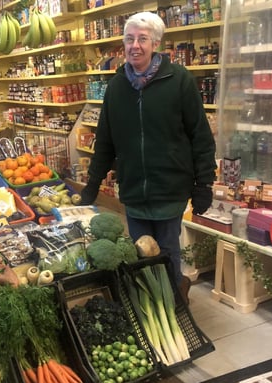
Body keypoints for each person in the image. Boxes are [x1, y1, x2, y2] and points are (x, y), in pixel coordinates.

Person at [80, 11, 216, 302]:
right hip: (133, 189)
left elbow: (200, 136)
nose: (135, 46)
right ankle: (151, 303)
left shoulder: (179, 81)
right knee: (139, 251)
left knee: (167, 251)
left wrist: (204, 183)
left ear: (155, 44)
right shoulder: (116, 87)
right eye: (129, 39)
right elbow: (105, 139)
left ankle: (173, 305)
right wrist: (92, 184)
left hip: (170, 186)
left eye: (142, 39)